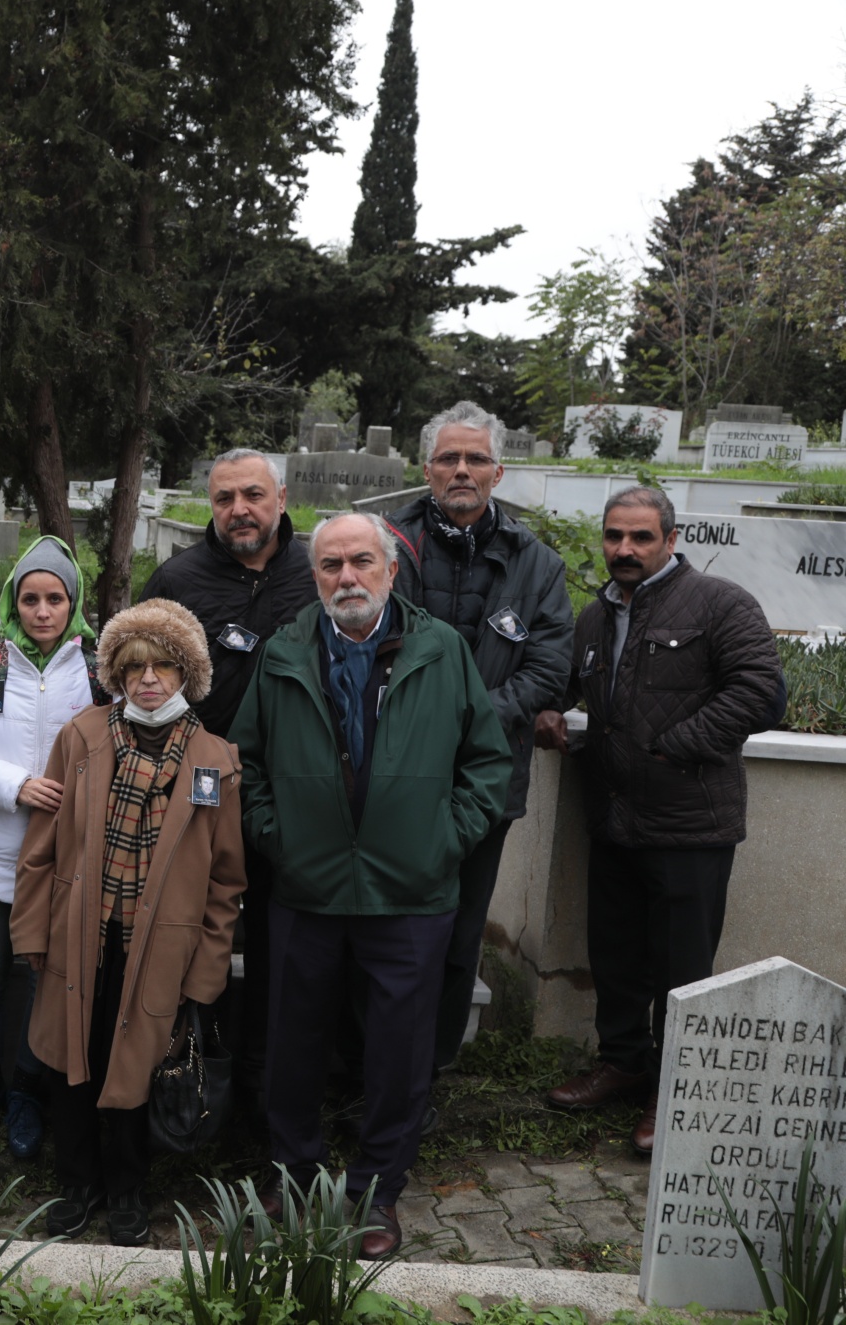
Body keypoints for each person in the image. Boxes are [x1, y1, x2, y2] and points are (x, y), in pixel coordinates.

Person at [229, 513, 510, 1257]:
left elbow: (487, 761)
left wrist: (442, 840)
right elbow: (246, 762)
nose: (346, 577)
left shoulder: (441, 650)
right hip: (307, 886)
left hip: (409, 893)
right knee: (292, 1040)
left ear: (390, 570)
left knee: (398, 1048)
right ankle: (293, 1175)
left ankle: (377, 1190)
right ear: (313, 575)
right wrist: (277, 837)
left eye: (360, 562)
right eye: (330, 565)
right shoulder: (286, 650)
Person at [536, 486, 781, 1154]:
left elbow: (760, 690)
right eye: (615, 536)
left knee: (680, 965)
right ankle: (622, 1062)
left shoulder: (720, 603)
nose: (625, 549)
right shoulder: (594, 616)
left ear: (671, 539)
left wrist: (677, 741)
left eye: (641, 537)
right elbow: (569, 684)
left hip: (690, 822)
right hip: (613, 817)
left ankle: (671, 1088)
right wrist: (549, 710)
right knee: (615, 955)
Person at [10, 599, 245, 1247]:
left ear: (186, 674)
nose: (148, 677)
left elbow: (225, 880)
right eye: (134, 664)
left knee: (137, 1067)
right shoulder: (81, 737)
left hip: (160, 950)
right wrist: (31, 932)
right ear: (115, 671)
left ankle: (127, 1188)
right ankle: (76, 1182)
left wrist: (207, 973)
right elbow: (42, 845)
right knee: (71, 1063)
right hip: (80, 938)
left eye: (163, 665)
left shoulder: (214, 758)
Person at [384, 402, 573, 1076]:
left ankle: (425, 1073)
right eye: (447, 458)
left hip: (484, 781)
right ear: (427, 469)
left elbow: (549, 666)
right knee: (383, 925)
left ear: (498, 471)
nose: (461, 469)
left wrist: (463, 719)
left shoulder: (537, 563)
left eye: (475, 459)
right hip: (389, 773)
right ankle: (367, 1065)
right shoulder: (387, 545)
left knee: (460, 934)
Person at [138, 448, 316, 1093]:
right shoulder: (177, 581)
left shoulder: (317, 573)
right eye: (223, 499)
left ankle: (270, 1093)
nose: (239, 510)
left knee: (281, 951)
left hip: (294, 799)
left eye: (252, 495)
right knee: (188, 941)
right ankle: (182, 1084)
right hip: (196, 800)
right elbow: (131, 688)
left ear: (282, 497)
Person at [0, 536, 105, 1160]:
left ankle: (29, 1092)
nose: (42, 611)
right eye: (30, 598)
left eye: (54, 598)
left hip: (65, 860)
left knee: (41, 977)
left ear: (73, 604)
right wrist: (18, 787)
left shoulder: (93, 672)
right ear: (13, 602)